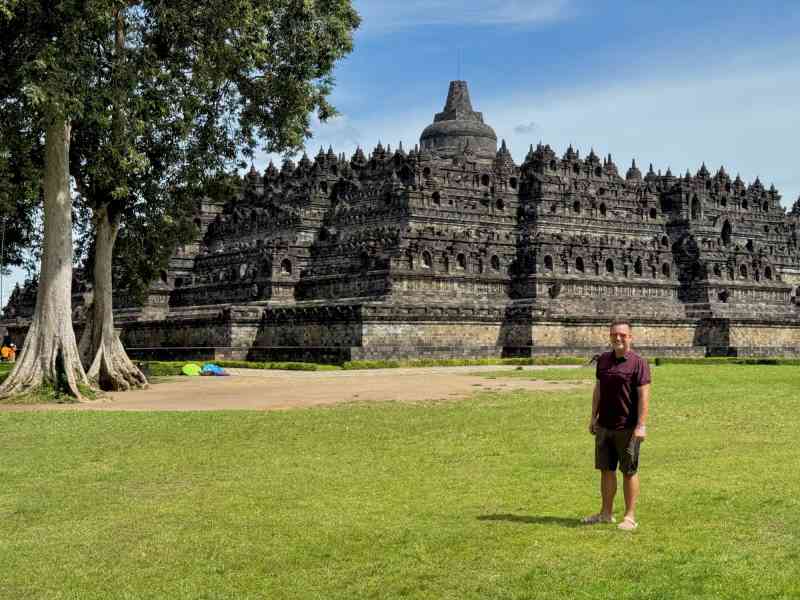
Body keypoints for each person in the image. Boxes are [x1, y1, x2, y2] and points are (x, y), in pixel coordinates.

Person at [582, 319, 651, 531]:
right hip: (605, 425)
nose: (618, 338)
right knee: (606, 470)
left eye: (622, 335)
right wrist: (593, 417)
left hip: (628, 428)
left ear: (630, 337)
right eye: (614, 335)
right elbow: (598, 390)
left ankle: (630, 516)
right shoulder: (603, 360)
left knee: (629, 471)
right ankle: (605, 513)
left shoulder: (639, 363)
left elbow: (644, 396)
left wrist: (641, 425)